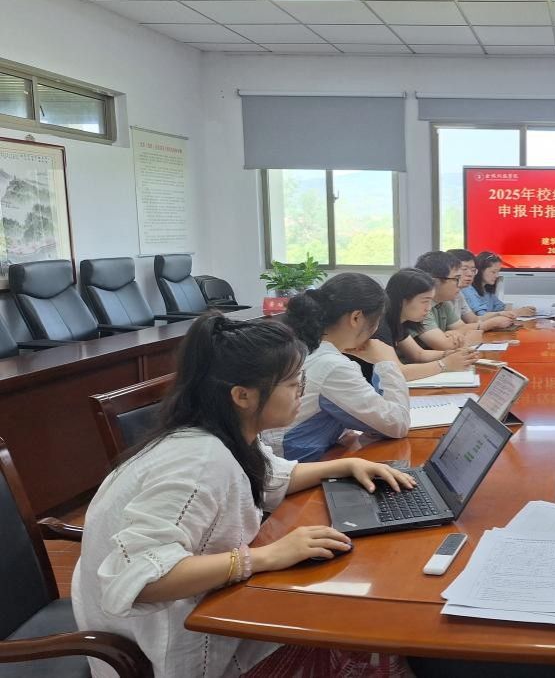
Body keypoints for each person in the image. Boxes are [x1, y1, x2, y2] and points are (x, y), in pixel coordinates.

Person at [73, 313, 416, 678]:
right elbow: (140, 579)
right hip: (159, 647)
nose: (301, 394)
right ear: (242, 395)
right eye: (293, 384)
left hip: (198, 609)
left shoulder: (223, 433)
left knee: (351, 620)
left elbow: (269, 477)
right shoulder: (197, 462)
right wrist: (266, 556)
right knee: (361, 632)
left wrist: (345, 465)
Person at [273, 273, 410, 462]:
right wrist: (387, 362)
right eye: (377, 321)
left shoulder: (307, 346)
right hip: (294, 469)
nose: (376, 329)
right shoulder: (333, 366)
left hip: (297, 460)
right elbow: (397, 425)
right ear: (356, 317)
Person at [370, 267, 480, 381]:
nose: (428, 308)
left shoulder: (398, 321)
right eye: (425, 301)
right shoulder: (379, 325)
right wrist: (444, 364)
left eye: (430, 301)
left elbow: (418, 354)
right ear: (402, 300)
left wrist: (451, 354)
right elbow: (397, 372)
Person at [412, 251, 486, 350]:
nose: (459, 283)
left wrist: (455, 334)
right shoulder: (419, 306)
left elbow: (463, 328)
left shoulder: (443, 302)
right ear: (435, 281)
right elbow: (443, 345)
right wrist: (467, 339)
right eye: (456, 279)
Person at [445, 248, 515, 330]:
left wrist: (499, 314)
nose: (470, 274)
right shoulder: (445, 297)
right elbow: (458, 328)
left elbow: (473, 319)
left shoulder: (459, 294)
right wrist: (492, 323)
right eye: (464, 269)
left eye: (473, 270)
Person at [464, 251, 536, 317]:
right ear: (479, 271)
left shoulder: (487, 291)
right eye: (493, 272)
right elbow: (481, 315)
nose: (497, 275)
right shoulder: (468, 289)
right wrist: (517, 312)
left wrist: (523, 308)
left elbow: (502, 307)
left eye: (498, 272)